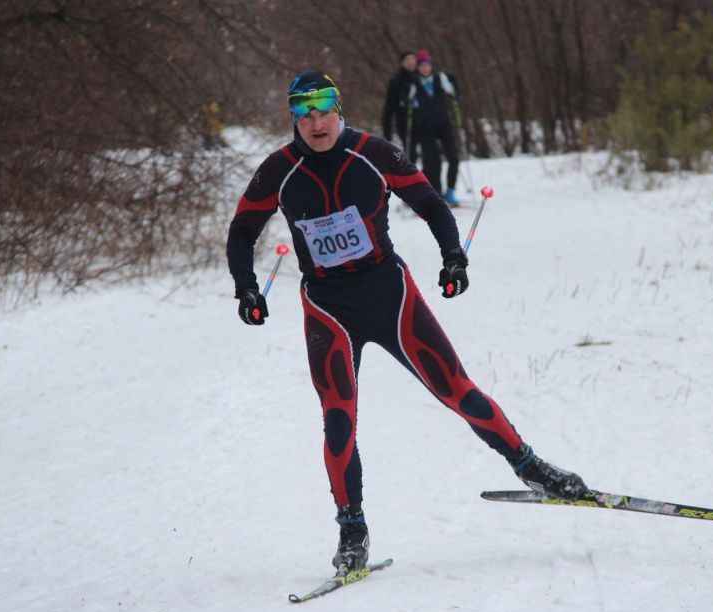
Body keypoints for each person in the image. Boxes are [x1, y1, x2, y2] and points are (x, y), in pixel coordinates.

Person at [226, 70, 587, 574]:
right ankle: (352, 530)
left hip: (389, 295)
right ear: (294, 119)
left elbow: (432, 204)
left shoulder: (375, 154)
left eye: (324, 108)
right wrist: (245, 287)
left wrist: (454, 257)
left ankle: (532, 468)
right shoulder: (277, 171)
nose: (315, 121)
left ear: (339, 108)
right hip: (328, 308)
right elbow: (242, 232)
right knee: (338, 418)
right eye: (303, 112)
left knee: (455, 389)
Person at [408, 49, 461, 207]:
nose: (425, 68)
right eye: (422, 65)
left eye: (427, 65)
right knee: (432, 162)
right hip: (425, 127)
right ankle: (436, 194)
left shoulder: (441, 78)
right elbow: (408, 103)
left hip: (443, 124)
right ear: (418, 67)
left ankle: (450, 190)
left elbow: (453, 93)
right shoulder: (414, 82)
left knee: (453, 157)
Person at [381, 50, 418, 163]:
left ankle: (428, 180)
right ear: (402, 63)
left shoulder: (421, 78)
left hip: (424, 122)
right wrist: (387, 129)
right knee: (411, 153)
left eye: (413, 59)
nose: (411, 62)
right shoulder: (396, 82)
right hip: (405, 122)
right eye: (407, 60)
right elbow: (389, 106)